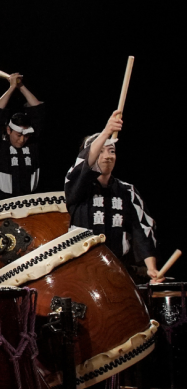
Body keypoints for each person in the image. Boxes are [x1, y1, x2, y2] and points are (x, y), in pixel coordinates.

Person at [64, 110, 160, 280]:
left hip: (118, 269)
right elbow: (82, 166)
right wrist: (107, 132)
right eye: (101, 151)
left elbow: (142, 229)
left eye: (111, 151)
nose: (107, 157)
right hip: (82, 270)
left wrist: (151, 268)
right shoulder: (77, 186)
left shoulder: (127, 191)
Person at [0, 73, 45, 200]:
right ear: (8, 130)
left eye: (26, 136)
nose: (22, 139)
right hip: (4, 201)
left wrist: (21, 86)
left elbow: (38, 110)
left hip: (31, 200)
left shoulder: (32, 143)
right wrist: (11, 88)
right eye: (18, 135)